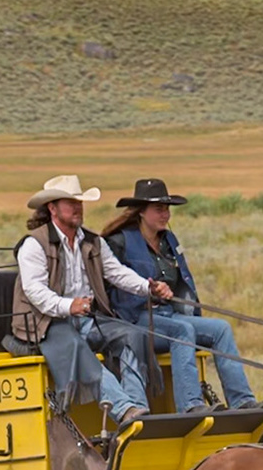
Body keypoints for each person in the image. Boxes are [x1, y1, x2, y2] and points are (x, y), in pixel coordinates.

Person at [11, 175, 167, 430]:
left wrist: (147, 287)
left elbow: (116, 272)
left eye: (79, 202)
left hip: (88, 318)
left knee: (132, 335)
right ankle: (124, 409)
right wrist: (67, 306)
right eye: (71, 203)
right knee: (75, 346)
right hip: (45, 323)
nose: (78, 208)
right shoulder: (34, 244)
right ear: (52, 208)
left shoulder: (93, 241)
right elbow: (34, 291)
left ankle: (139, 407)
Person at [102, 178, 263, 415]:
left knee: (221, 329)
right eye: (159, 209)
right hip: (136, 320)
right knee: (183, 332)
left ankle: (242, 400)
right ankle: (190, 405)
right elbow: (109, 285)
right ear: (141, 212)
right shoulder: (118, 242)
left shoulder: (169, 241)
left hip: (170, 316)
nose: (165, 214)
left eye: (167, 208)